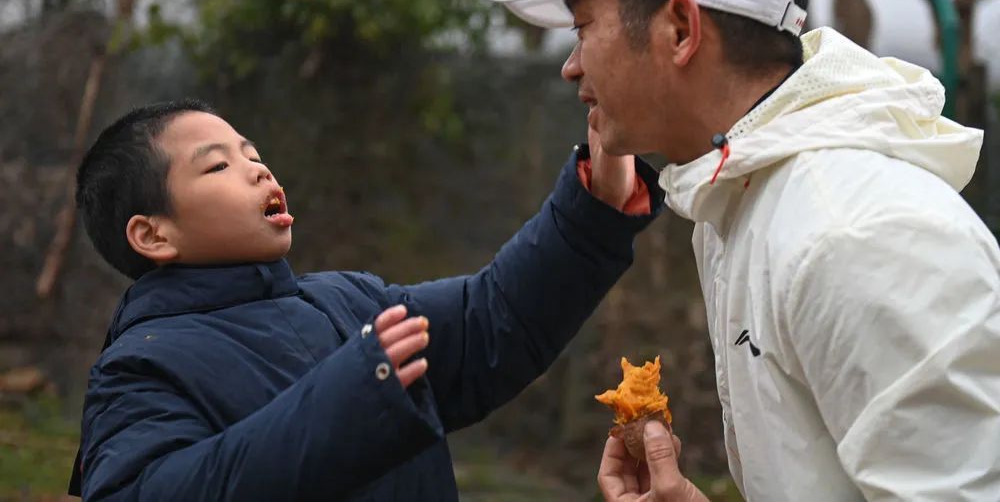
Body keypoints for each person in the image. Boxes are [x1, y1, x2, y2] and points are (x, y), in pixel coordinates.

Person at [477, 0, 1000, 501]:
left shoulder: (859, 235)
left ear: (680, 30)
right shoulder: (748, 199)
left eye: (584, 26)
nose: (570, 65)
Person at [68, 99, 664, 501]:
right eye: (218, 165)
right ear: (153, 235)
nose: (256, 169)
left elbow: (495, 320)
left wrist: (597, 207)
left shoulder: (348, 301)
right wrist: (350, 396)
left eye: (251, 153)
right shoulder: (140, 368)